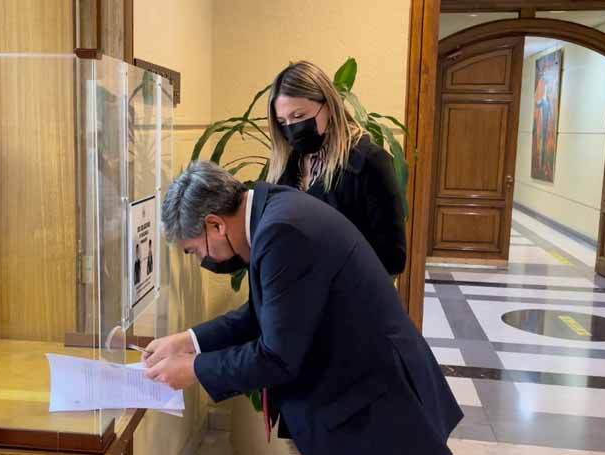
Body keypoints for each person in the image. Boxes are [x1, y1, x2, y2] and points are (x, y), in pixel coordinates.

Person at [143, 161, 462, 455]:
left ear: (215, 225)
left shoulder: (281, 233)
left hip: (374, 403)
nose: (203, 260)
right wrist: (187, 340)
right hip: (361, 388)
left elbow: (276, 357)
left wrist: (195, 368)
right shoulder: (272, 212)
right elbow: (259, 315)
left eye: (195, 250)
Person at [267, 61, 406, 275]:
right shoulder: (285, 167)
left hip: (349, 292)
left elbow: (393, 258)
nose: (292, 128)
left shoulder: (370, 163)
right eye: (282, 122)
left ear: (329, 107)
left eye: (299, 116)